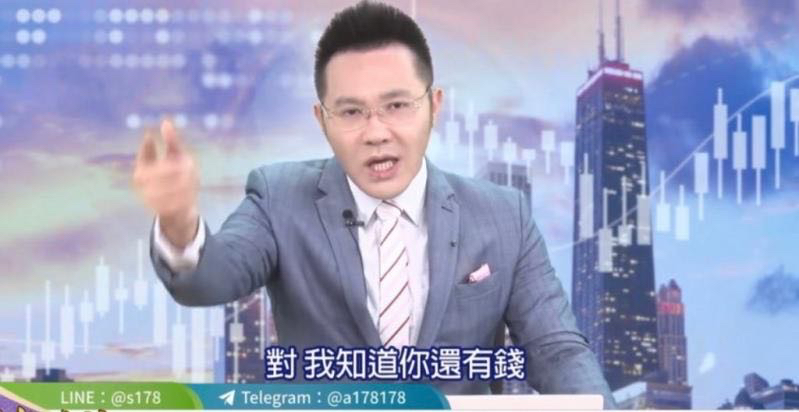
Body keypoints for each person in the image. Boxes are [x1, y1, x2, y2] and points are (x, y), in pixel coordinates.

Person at [133, 0, 614, 406]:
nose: (376, 132)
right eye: (351, 112)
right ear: (322, 120)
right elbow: (212, 278)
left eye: (397, 105)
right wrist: (178, 223)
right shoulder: (279, 197)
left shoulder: (504, 215)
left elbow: (556, 351)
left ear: (434, 106)